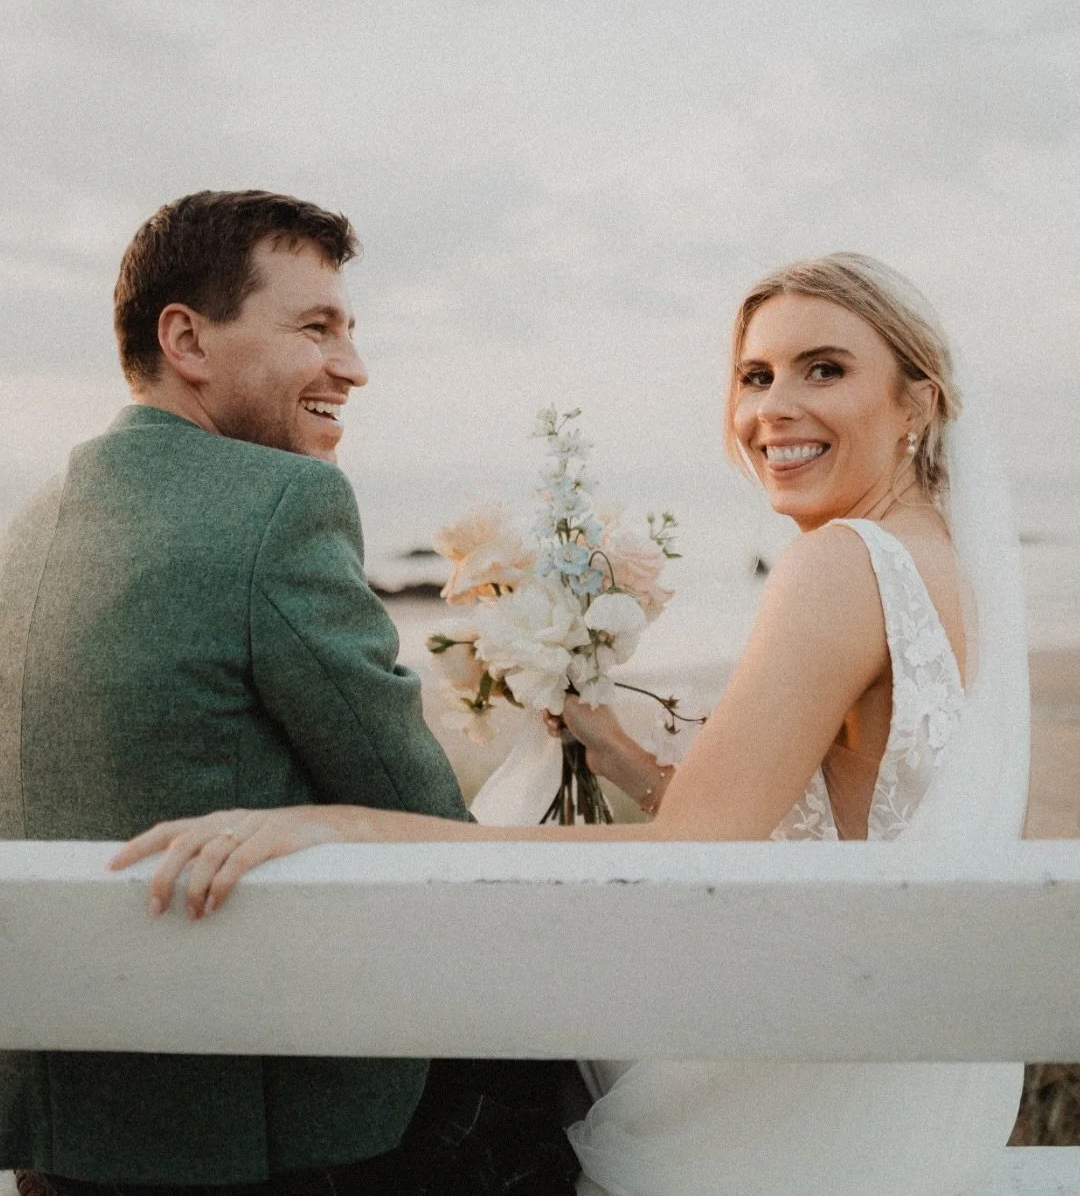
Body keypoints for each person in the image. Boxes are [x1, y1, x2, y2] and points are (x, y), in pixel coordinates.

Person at [112, 253, 1031, 1195]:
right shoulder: (953, 568)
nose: (770, 410)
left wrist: (336, 826)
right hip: (891, 1082)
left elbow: (693, 855)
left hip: (787, 1111)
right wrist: (616, 750)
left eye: (823, 369)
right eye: (755, 375)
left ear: (917, 404)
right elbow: (814, 817)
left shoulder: (839, 563)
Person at [0, 190, 580, 1196]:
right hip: (264, 1137)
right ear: (185, 337)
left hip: (60, 1136)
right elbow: (420, 818)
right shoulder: (282, 505)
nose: (352, 367)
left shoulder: (35, 523)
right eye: (316, 328)